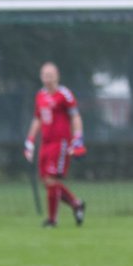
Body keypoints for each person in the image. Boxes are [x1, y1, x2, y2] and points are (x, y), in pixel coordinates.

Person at [24, 62, 86, 228]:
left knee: (51, 180)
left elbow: (75, 117)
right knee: (47, 182)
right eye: (45, 75)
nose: (47, 79)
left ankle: (52, 220)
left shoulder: (64, 95)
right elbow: (37, 119)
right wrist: (30, 141)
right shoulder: (40, 96)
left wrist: (78, 138)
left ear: (57, 76)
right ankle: (76, 204)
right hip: (45, 143)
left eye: (50, 75)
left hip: (61, 143)